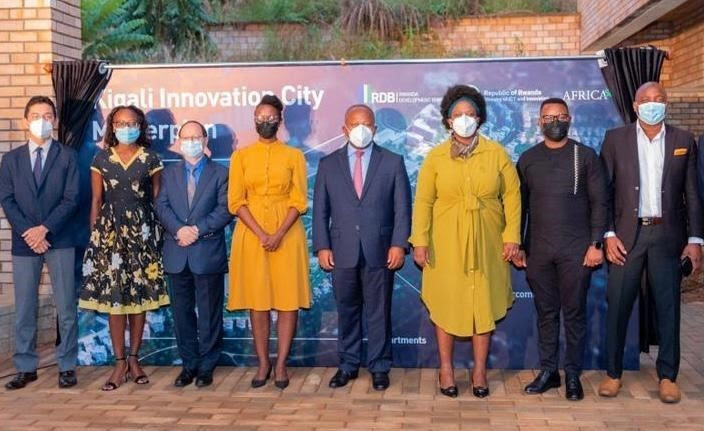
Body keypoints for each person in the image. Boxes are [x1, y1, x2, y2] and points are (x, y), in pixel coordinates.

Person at [409, 85, 521, 398]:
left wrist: (512, 236)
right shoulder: (435, 157)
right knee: (446, 301)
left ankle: (480, 371)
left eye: (470, 114)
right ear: (448, 120)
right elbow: (423, 201)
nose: (464, 119)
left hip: (488, 240)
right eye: (458, 114)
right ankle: (446, 369)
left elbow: (513, 196)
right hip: (445, 241)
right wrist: (420, 241)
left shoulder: (497, 154)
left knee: (482, 302)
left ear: (480, 118)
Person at [598, 82, 703, 404]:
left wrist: (695, 239)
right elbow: (604, 193)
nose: (652, 104)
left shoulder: (683, 140)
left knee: (669, 307)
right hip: (626, 237)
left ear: (666, 104)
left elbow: (693, 194)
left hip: (667, 236)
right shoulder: (615, 139)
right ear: (635, 105)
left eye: (659, 99)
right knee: (618, 306)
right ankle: (613, 373)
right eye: (646, 100)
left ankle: (668, 376)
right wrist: (608, 234)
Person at [513, 97, 608, 401]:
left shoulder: (586, 156)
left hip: (577, 250)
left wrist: (596, 244)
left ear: (569, 119)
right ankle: (549, 371)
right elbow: (519, 207)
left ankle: (573, 375)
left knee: (575, 314)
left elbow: (600, 203)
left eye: (560, 116)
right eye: (548, 117)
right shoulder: (527, 159)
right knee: (546, 313)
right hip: (539, 251)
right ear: (539, 121)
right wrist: (519, 244)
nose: (555, 121)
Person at [313, 104, 412, 391]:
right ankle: (348, 364)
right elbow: (320, 210)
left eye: (366, 124)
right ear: (344, 129)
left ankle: (379, 366)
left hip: (380, 250)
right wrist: (322, 246)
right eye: (355, 124)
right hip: (341, 250)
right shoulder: (328, 164)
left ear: (375, 129)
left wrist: (399, 244)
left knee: (379, 312)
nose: (361, 129)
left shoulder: (392, 162)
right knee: (347, 311)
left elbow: (402, 208)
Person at [79, 105, 169, 391]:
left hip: (143, 235)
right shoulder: (101, 158)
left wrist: (157, 238)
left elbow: (158, 201)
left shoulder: (151, 158)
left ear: (140, 126)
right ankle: (119, 364)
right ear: (112, 126)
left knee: (139, 299)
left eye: (131, 123)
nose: (126, 128)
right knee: (116, 300)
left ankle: (134, 360)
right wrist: (96, 239)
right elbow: (96, 201)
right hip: (110, 236)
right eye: (120, 123)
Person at [227, 95, 310, 390]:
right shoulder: (240, 157)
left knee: (288, 301)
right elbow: (235, 201)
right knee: (258, 301)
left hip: (288, 234)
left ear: (280, 121)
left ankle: (282, 363)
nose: (266, 121)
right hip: (251, 235)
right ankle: (263, 363)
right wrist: (262, 234)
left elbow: (299, 200)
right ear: (254, 120)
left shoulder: (294, 156)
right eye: (261, 117)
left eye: (271, 117)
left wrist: (278, 233)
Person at [0, 96, 79, 390]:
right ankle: (25, 367)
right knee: (24, 307)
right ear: (25, 121)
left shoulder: (68, 156)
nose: (41, 121)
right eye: (35, 115)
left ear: (54, 121)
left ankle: (67, 365)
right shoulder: (10, 160)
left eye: (47, 116)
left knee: (66, 307)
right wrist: (30, 233)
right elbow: (7, 199)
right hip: (25, 243)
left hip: (60, 238)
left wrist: (45, 229)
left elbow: (71, 198)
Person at [155, 120, 231, 388]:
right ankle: (189, 365)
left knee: (210, 315)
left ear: (205, 140)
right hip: (177, 252)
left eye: (196, 137)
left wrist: (197, 230)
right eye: (186, 138)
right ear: (179, 141)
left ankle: (207, 367)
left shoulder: (220, 173)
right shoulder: (168, 174)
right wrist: (179, 230)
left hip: (207, 252)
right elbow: (161, 206)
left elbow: (225, 209)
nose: (191, 142)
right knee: (182, 314)